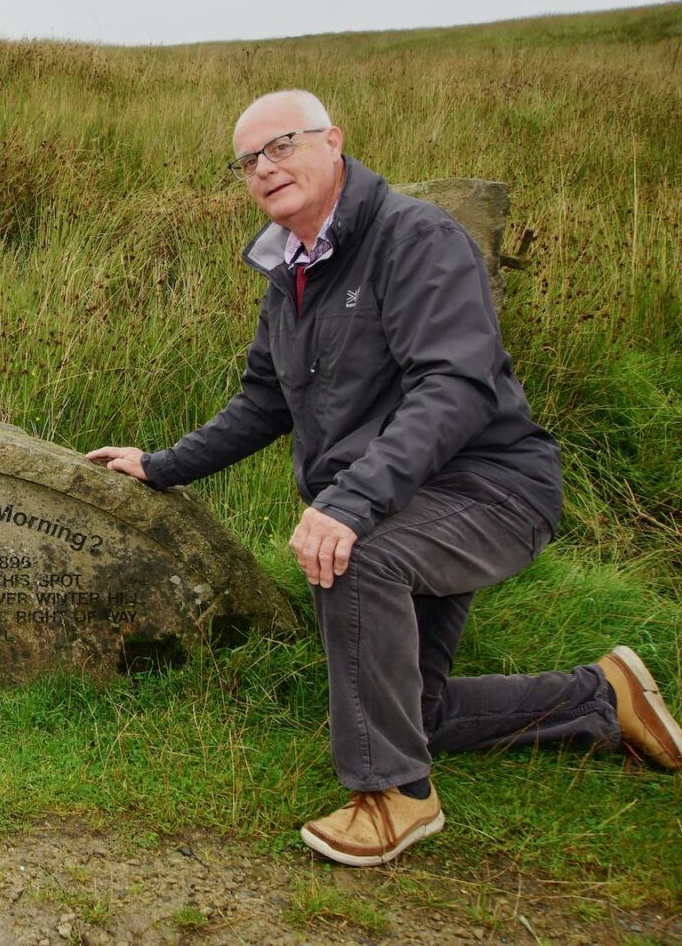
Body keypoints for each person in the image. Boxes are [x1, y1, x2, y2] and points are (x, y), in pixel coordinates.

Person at [87, 90, 681, 867]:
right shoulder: (290, 271)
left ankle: (395, 796)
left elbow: (455, 385)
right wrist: (161, 466)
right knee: (410, 712)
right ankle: (601, 697)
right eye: (247, 162)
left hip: (488, 485)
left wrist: (351, 504)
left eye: (282, 145)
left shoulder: (413, 237)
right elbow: (263, 401)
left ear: (333, 141)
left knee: (354, 554)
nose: (264, 169)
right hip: (406, 498)